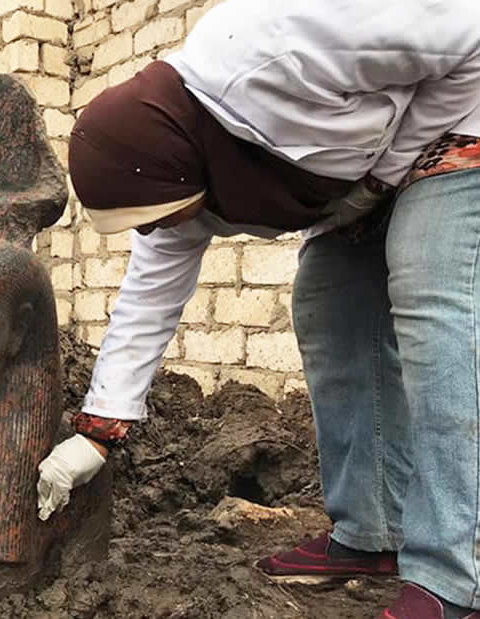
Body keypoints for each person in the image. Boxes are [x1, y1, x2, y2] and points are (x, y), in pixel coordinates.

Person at [35, 1, 480, 617]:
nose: (167, 228)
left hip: (462, 114)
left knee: (431, 292)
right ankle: (370, 536)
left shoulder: (281, 47)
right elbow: (147, 302)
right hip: (366, 175)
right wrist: (99, 432)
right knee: (326, 299)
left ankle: (452, 576)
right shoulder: (176, 164)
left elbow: (469, 34)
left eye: (163, 215)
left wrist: (388, 176)